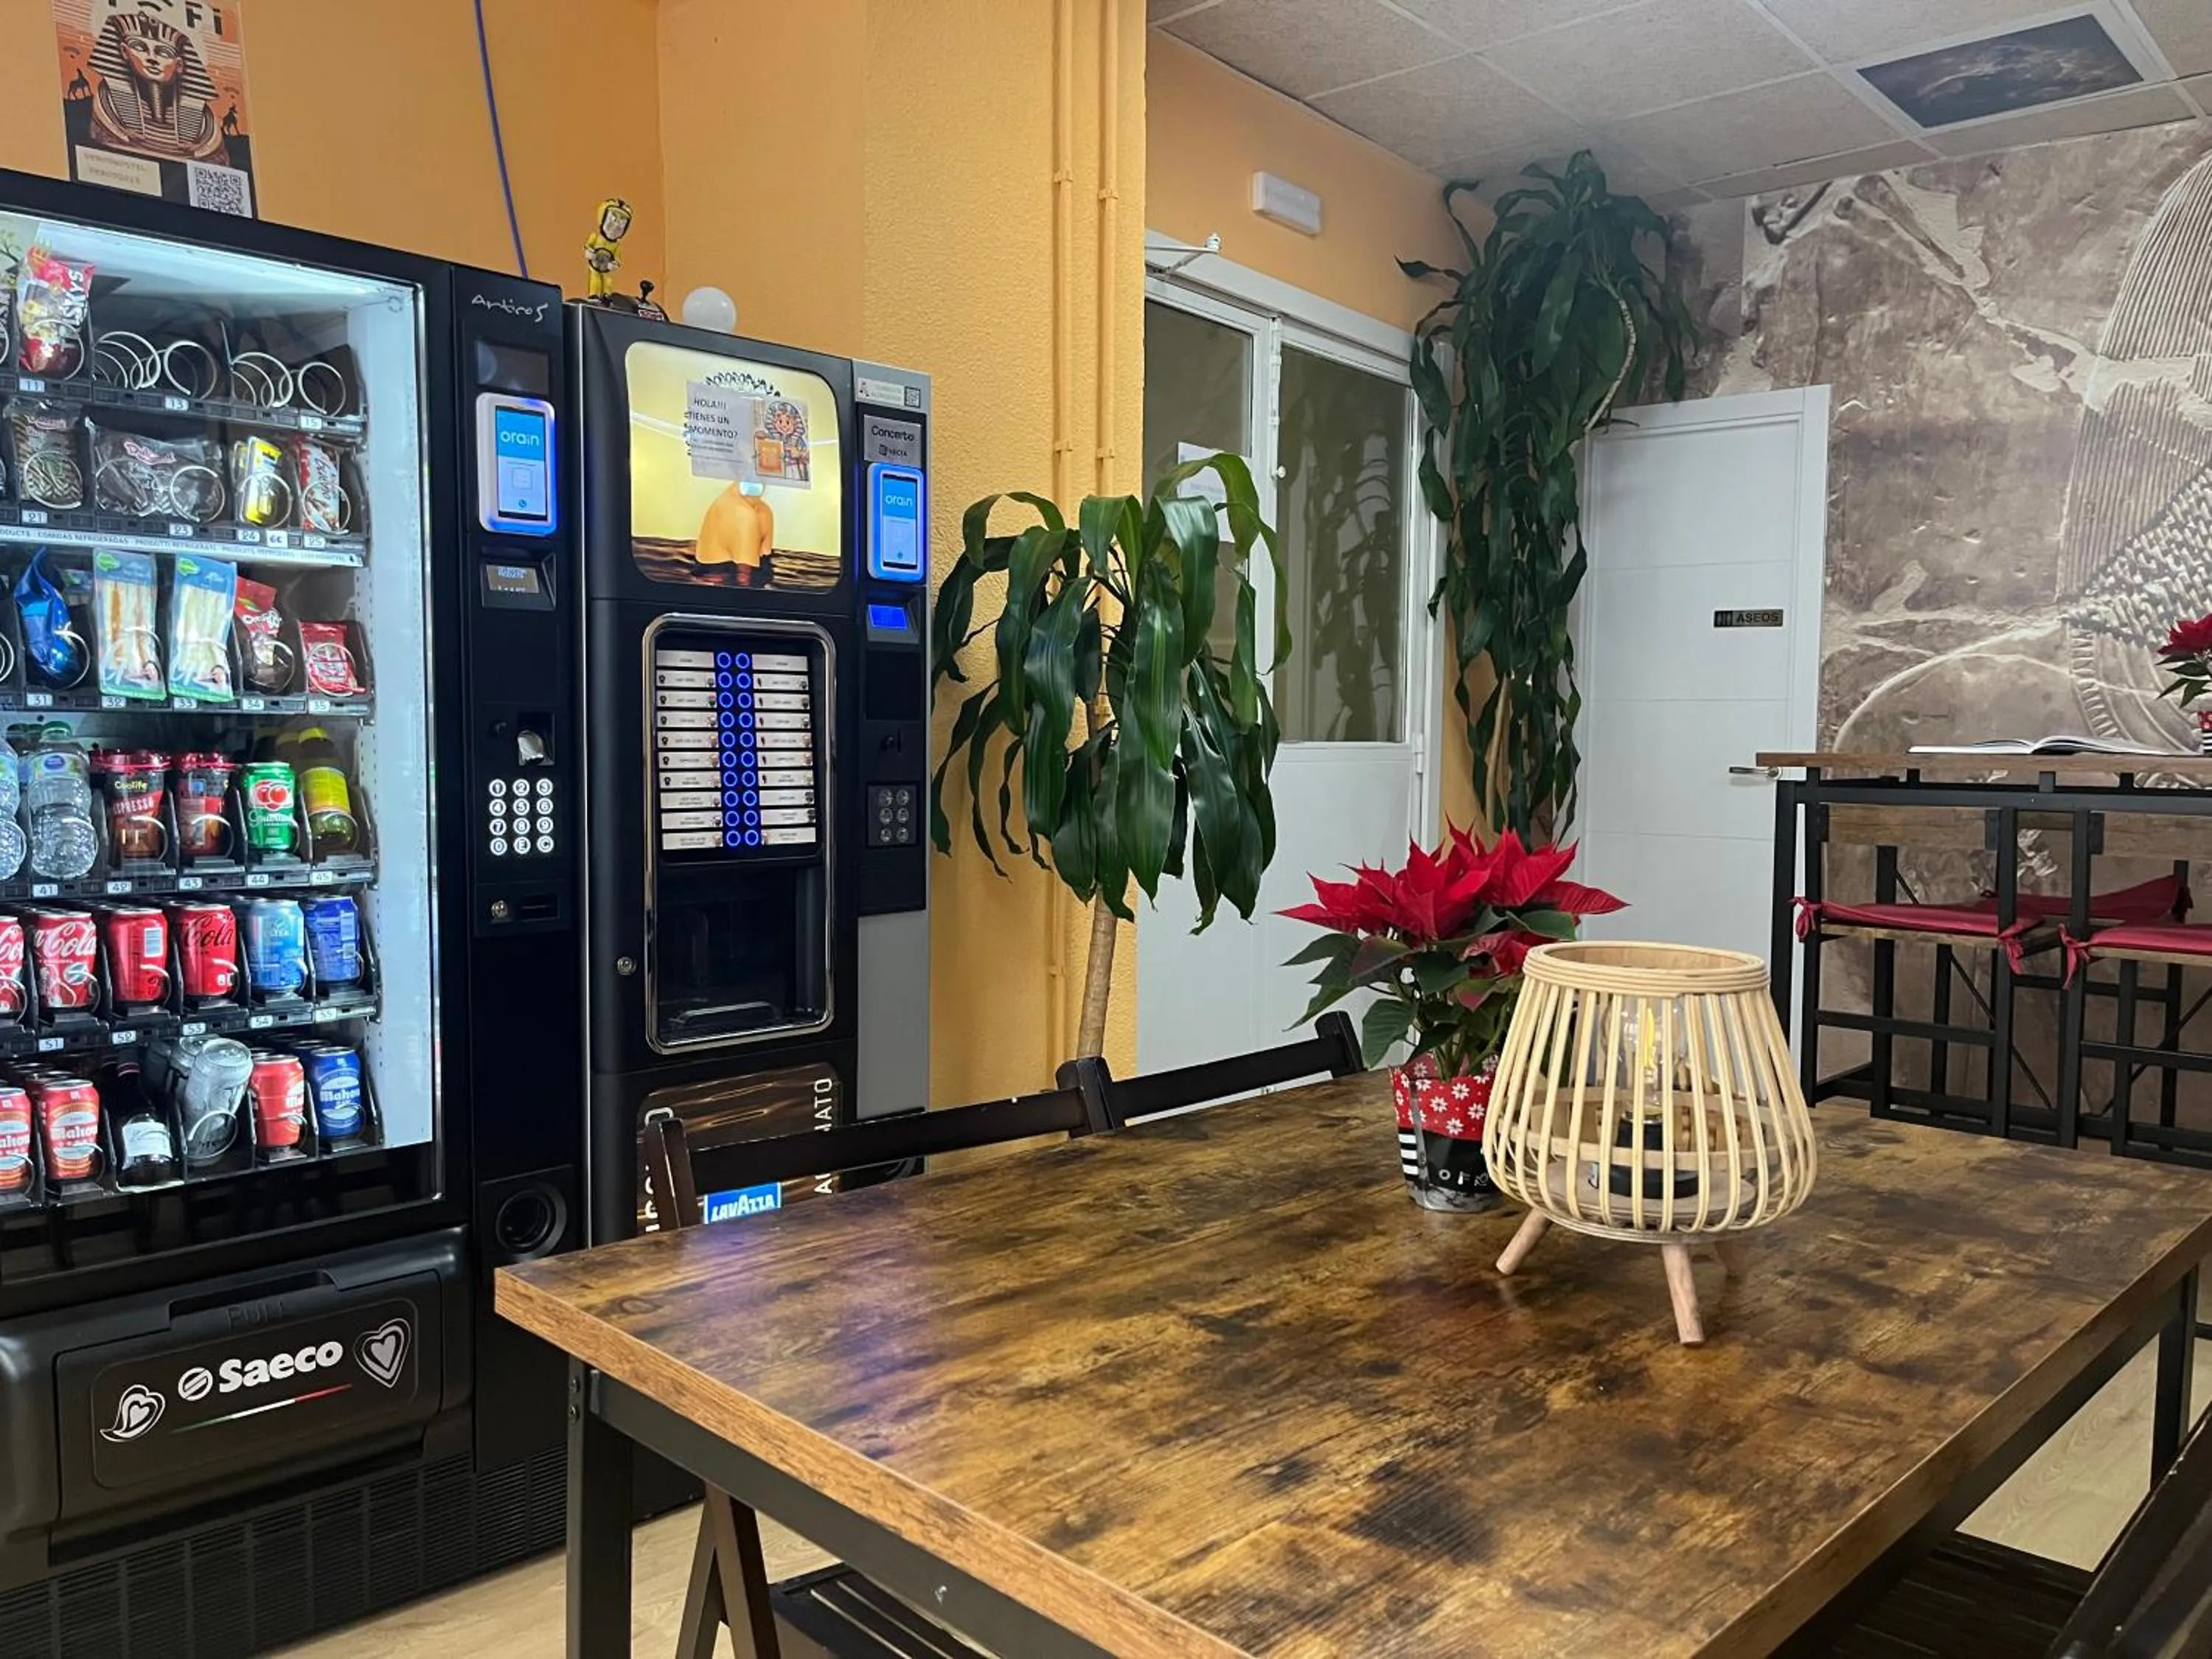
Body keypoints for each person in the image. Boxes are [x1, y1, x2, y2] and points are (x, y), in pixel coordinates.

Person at [86, 10, 226, 163]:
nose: (152, 59)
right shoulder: (106, 101)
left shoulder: (204, 125)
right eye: (140, 47)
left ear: (179, 65)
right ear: (124, 52)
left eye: (164, 53)